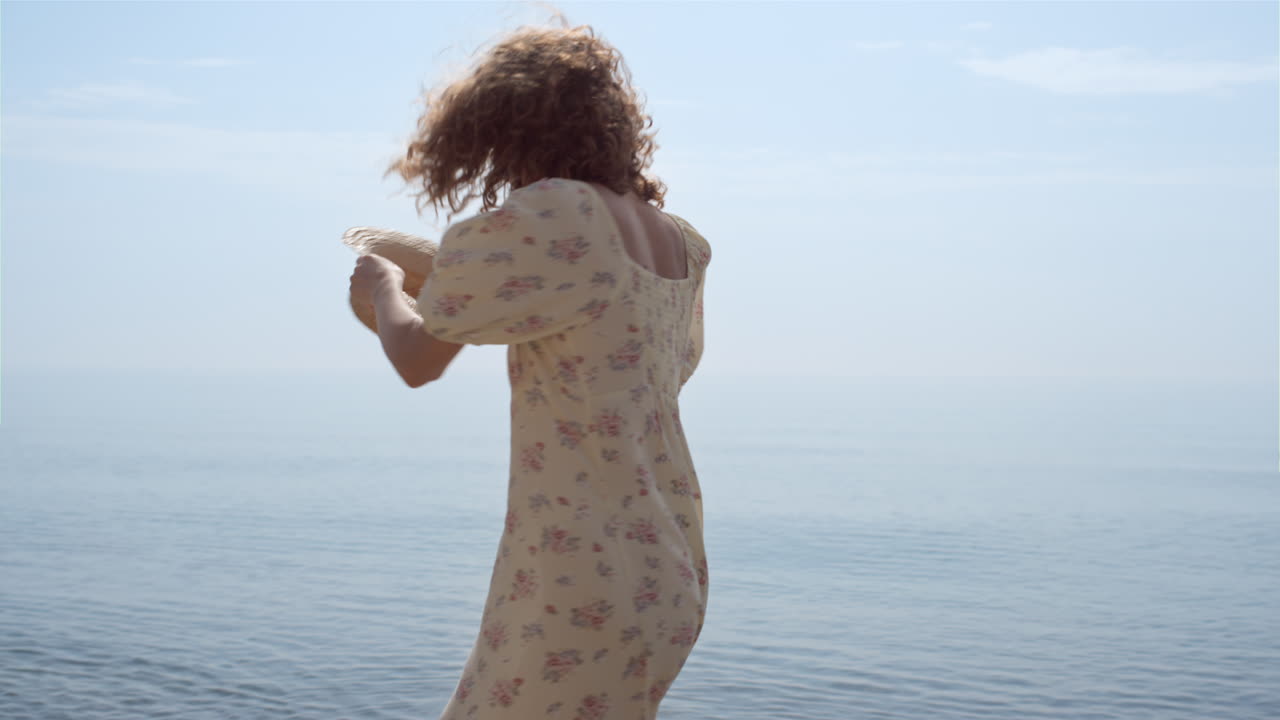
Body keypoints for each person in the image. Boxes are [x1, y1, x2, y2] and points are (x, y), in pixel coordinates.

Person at [348, 23, 711, 720]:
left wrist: (383, 286)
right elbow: (624, 350)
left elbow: (419, 358)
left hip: (580, 572)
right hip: (667, 566)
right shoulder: (681, 243)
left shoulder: (558, 214)